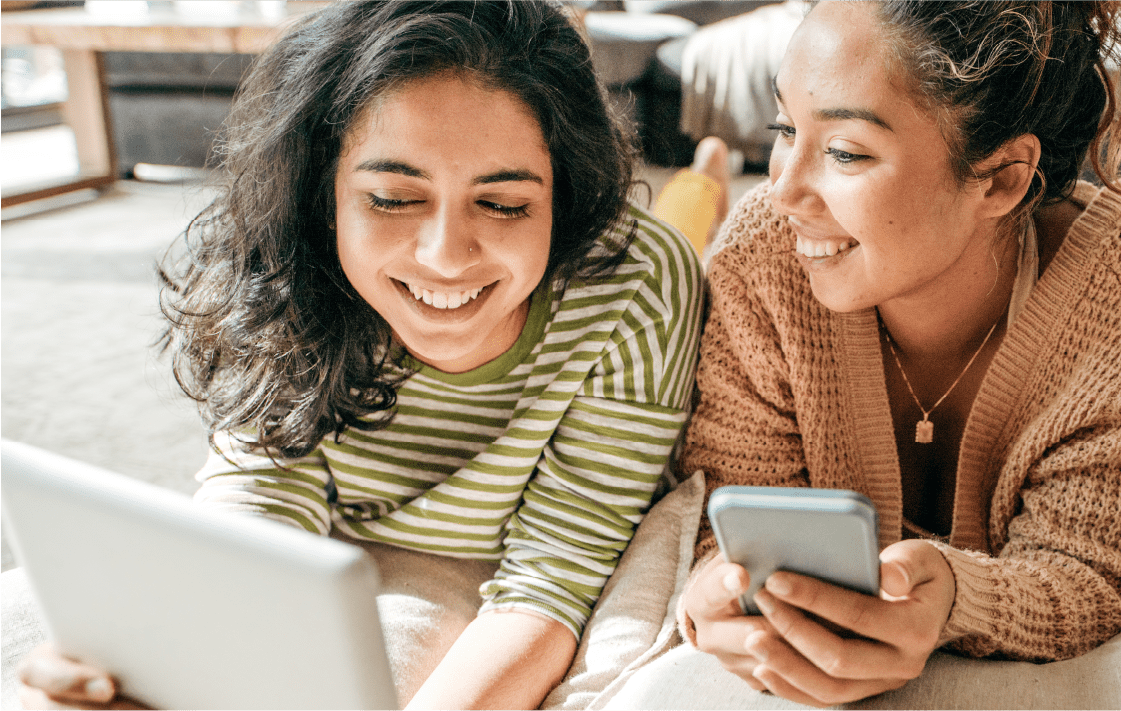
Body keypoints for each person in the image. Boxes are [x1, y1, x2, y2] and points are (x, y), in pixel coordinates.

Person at [16, 1, 705, 708]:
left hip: (506, 547)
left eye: (502, 205)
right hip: (350, 538)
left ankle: (704, 174)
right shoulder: (287, 266)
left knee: (694, 208)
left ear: (564, 197)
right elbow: (260, 497)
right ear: (323, 196)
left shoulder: (636, 281)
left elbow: (553, 574)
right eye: (390, 197)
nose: (444, 256)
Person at [676, 0, 1121, 706]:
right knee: (674, 242)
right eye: (783, 129)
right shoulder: (758, 261)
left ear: (1002, 178)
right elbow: (723, 509)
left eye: (844, 152)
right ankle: (701, 175)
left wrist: (957, 596)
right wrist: (716, 589)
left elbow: (1096, 569)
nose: (783, 189)